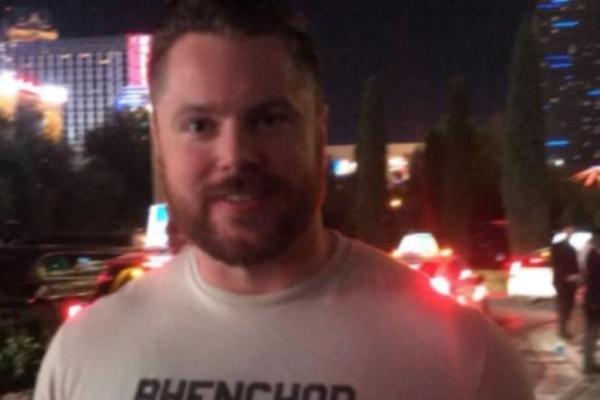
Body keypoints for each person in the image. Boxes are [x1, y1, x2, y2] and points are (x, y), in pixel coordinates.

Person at [34, 1, 533, 399]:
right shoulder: (83, 357)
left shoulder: (466, 362)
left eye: (269, 119)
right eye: (199, 125)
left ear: (319, 130)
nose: (235, 157)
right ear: (160, 142)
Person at [550, 227, 581, 339]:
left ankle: (563, 328)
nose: (570, 234)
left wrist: (576, 275)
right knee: (565, 305)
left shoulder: (570, 248)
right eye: (569, 232)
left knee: (568, 305)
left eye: (572, 232)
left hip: (568, 282)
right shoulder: (558, 247)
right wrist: (567, 276)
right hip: (563, 282)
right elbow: (557, 264)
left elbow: (574, 264)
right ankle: (562, 330)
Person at [583, 229, 600, 374]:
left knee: (593, 333)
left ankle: (590, 363)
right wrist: (594, 302)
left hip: (593, 300)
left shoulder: (593, 255)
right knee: (592, 333)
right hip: (594, 302)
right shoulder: (593, 256)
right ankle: (588, 365)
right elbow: (594, 282)